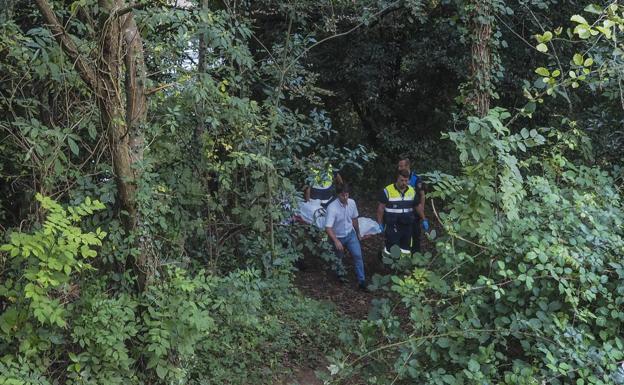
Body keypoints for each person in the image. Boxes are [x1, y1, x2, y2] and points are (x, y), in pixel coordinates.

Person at [325, 183, 367, 291]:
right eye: (343, 195)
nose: (345, 197)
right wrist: (336, 241)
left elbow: (354, 219)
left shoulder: (352, 203)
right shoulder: (332, 208)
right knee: (338, 258)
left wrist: (358, 233)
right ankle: (340, 276)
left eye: (347, 195)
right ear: (338, 195)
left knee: (358, 256)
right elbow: (328, 227)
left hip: (350, 234)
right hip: (337, 236)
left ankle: (362, 281)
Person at [377, 169, 417, 258]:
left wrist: (424, 218)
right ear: (397, 179)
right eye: (401, 180)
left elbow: (417, 206)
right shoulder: (387, 191)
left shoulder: (412, 191)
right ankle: (388, 267)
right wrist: (379, 223)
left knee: (405, 250)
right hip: (392, 226)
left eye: (406, 181)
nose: (404, 183)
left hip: (407, 226)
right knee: (391, 249)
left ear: (409, 180)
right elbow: (381, 208)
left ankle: (402, 267)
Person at [397, 156, 429, 252]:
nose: (399, 168)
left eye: (401, 166)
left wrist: (422, 213)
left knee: (415, 236)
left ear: (408, 166)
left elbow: (422, 195)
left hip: (414, 213)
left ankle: (416, 259)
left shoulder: (416, 179)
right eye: (398, 166)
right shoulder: (399, 177)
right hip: (401, 212)